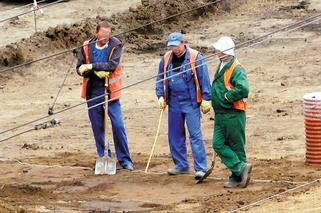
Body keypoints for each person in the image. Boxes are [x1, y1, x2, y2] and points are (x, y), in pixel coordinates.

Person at [76, 21, 133, 172]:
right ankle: (104, 156)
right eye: (103, 35)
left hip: (110, 93)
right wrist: (88, 70)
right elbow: (79, 68)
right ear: (97, 33)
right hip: (93, 92)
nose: (106, 38)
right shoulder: (87, 46)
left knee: (118, 125)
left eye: (108, 35)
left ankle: (125, 159)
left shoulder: (116, 44)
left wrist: (92, 66)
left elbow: (112, 65)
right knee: (97, 127)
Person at [155, 32, 212, 180]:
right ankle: (181, 165)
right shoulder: (166, 58)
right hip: (173, 102)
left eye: (176, 45)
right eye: (172, 46)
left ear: (183, 43)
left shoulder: (195, 57)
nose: (175, 49)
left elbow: (204, 78)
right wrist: (160, 96)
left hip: (191, 102)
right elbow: (160, 78)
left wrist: (207, 98)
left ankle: (200, 168)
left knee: (195, 135)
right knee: (175, 135)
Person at [211, 36, 251, 188]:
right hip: (221, 114)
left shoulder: (236, 68)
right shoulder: (222, 64)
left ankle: (238, 177)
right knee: (218, 144)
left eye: (219, 50)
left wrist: (228, 97)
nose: (216, 52)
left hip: (233, 113)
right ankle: (240, 168)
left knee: (236, 146)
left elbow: (244, 88)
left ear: (226, 52)